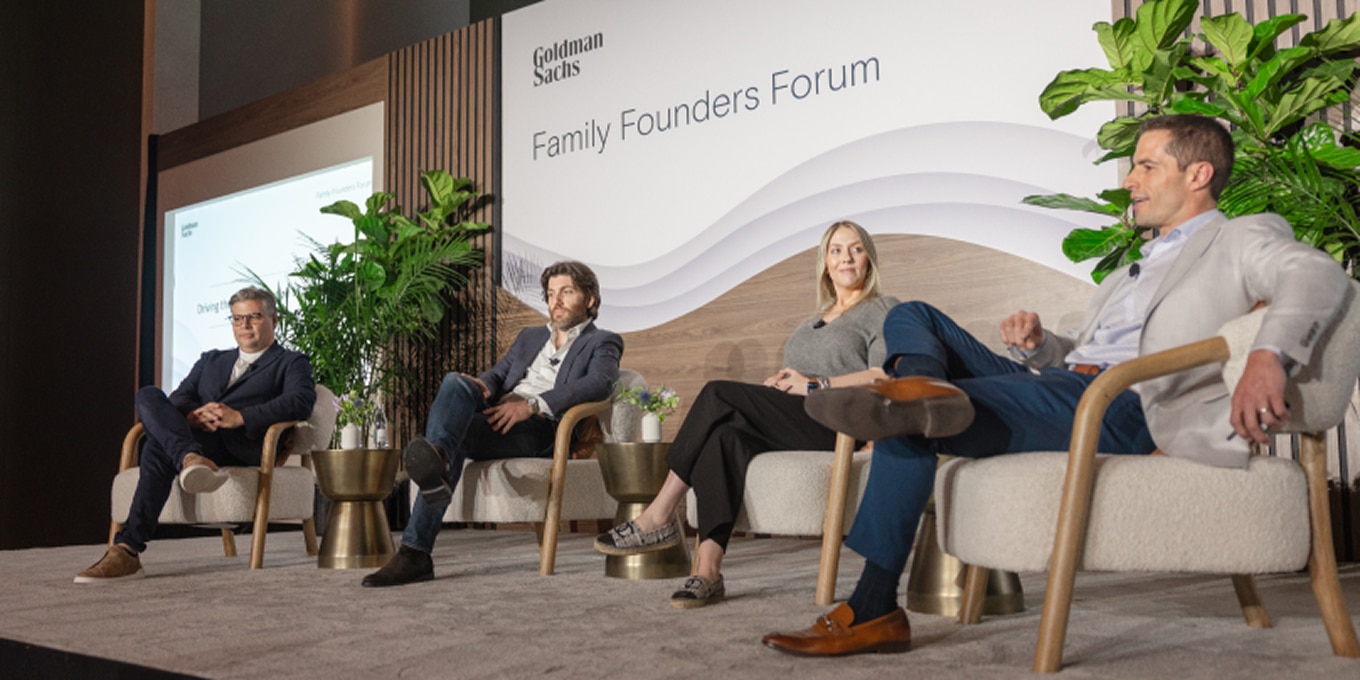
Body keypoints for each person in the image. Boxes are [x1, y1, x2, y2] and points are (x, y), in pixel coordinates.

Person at [761, 114, 1349, 655]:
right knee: (910, 314)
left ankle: (873, 608)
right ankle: (922, 385)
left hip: (1119, 405)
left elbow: (1319, 275)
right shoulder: (1131, 269)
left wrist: (1267, 356)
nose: (1132, 180)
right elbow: (1087, 353)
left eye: (1147, 165)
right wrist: (1042, 345)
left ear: (1198, 174)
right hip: (1064, 382)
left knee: (908, 417)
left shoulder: (1239, 238)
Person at [593, 221, 909, 608]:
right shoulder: (810, 322)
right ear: (825, 263)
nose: (846, 257)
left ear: (869, 259)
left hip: (841, 423)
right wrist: (779, 383)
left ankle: (660, 514)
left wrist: (815, 384)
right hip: (801, 416)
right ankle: (706, 571)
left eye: (856, 249)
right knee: (723, 437)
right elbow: (795, 380)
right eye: (836, 250)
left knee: (715, 393)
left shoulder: (883, 309)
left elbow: (884, 376)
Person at [362, 260, 623, 587]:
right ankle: (438, 458)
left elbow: (599, 384)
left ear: (590, 299)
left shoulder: (603, 342)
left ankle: (415, 551)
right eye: (551, 293)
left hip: (543, 429)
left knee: (455, 434)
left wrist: (531, 405)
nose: (555, 301)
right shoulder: (530, 337)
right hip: (500, 412)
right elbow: (500, 375)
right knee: (455, 382)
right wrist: (484, 385)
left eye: (566, 292)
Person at [76, 286, 317, 583]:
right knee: (149, 395)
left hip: (245, 444)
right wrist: (193, 415)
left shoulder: (291, 362)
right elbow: (179, 398)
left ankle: (127, 549)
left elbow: (300, 401)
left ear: (274, 321)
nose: (244, 325)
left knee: (156, 446)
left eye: (253, 317)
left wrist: (239, 417)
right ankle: (188, 460)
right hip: (200, 439)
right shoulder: (211, 359)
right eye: (237, 319)